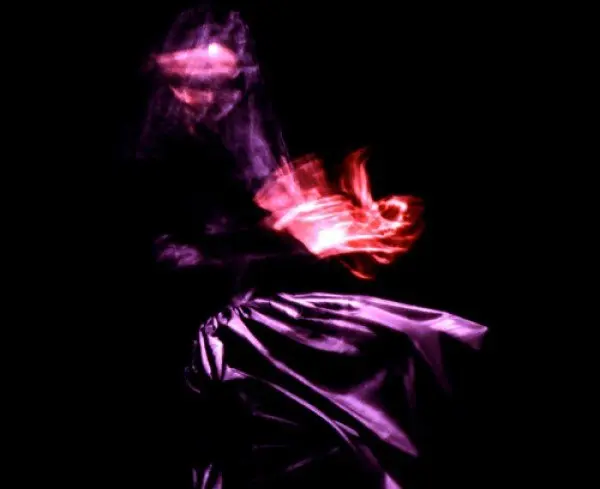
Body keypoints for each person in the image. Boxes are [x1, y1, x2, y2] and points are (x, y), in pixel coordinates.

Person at [136, 5, 488, 488]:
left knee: (422, 340)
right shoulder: (155, 158)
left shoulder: (228, 148)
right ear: (173, 77)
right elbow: (170, 263)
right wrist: (281, 238)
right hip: (212, 333)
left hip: (254, 316)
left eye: (229, 85)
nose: (218, 99)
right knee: (372, 370)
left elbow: (261, 242)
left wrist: (329, 229)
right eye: (202, 81)